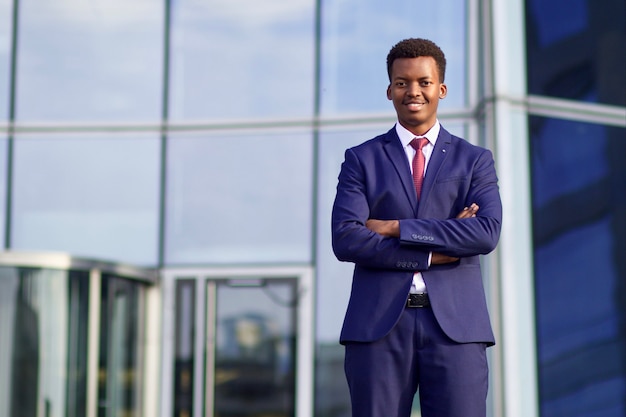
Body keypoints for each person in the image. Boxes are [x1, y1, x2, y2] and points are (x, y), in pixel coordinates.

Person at [331, 38, 502, 417]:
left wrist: (395, 227)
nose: (414, 91)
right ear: (389, 90)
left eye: (424, 82)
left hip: (456, 329)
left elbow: (485, 232)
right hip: (378, 329)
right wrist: (432, 252)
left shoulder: (474, 160)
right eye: (402, 82)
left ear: (440, 89)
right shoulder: (361, 159)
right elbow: (346, 238)